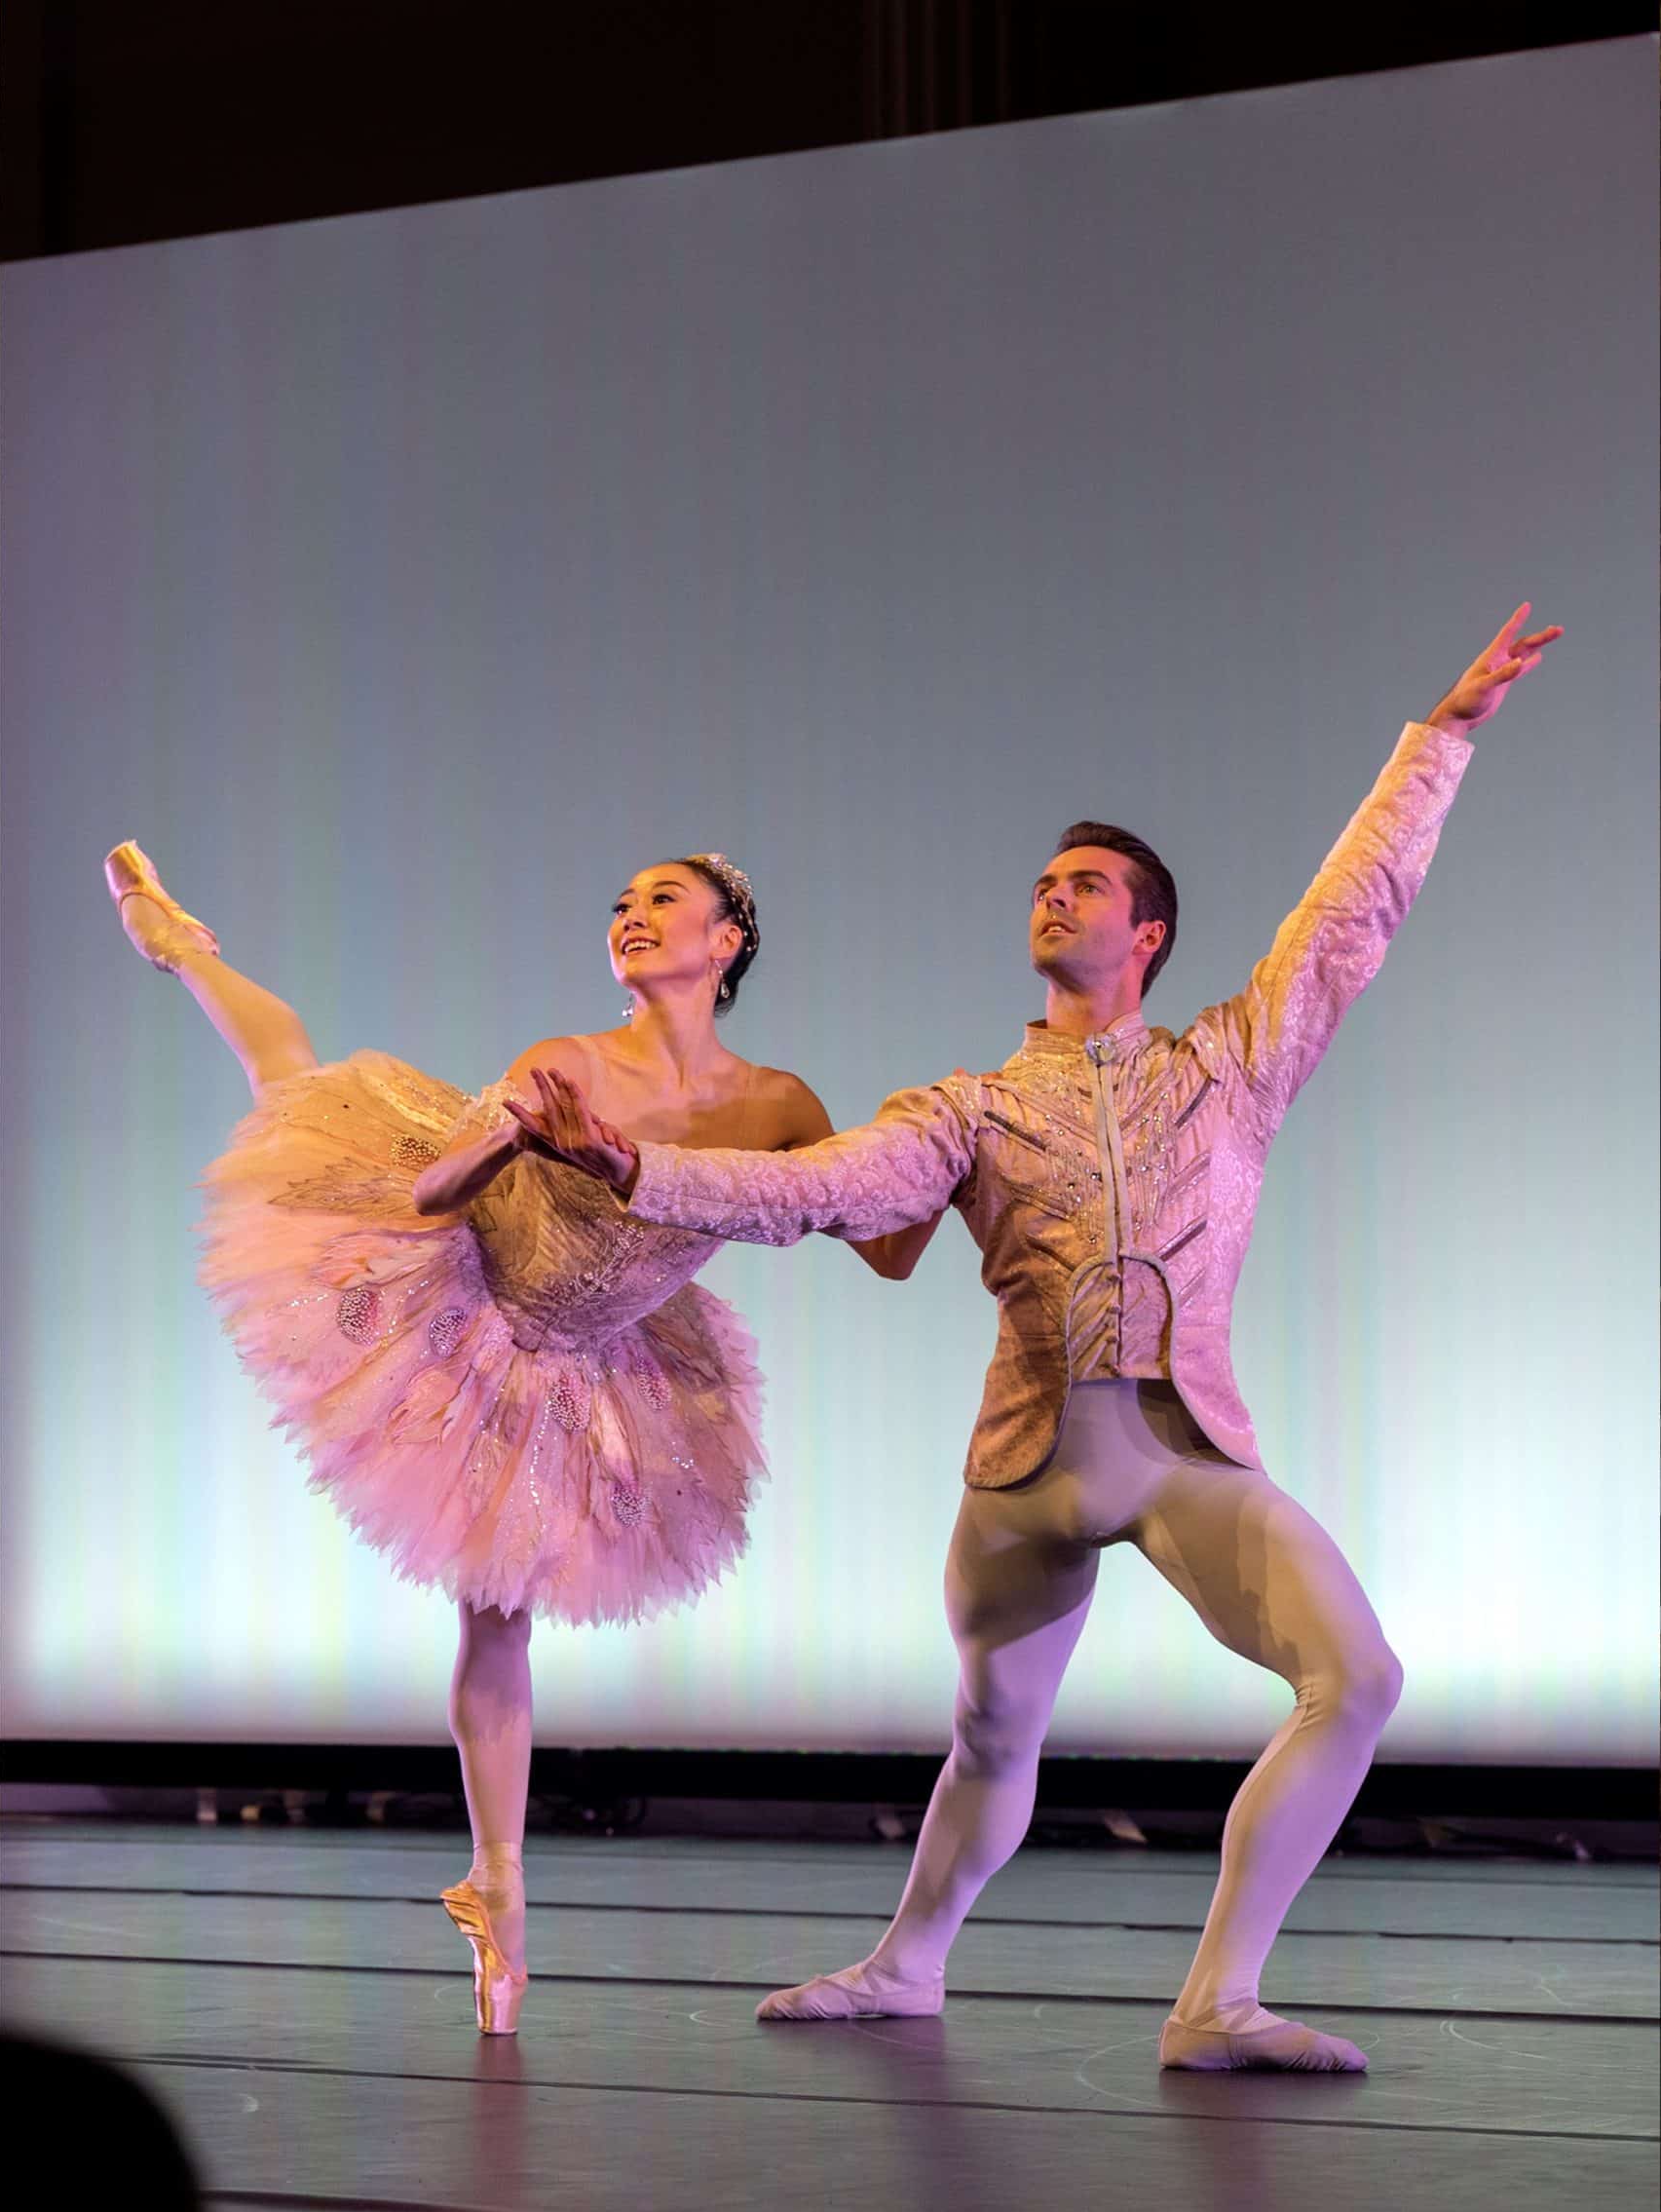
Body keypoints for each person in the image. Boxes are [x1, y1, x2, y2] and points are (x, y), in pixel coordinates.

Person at [519, 604, 1562, 2072]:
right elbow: (816, 1190)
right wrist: (638, 1171)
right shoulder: (970, 1107)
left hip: (1176, 1454)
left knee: (1356, 1679)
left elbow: (1346, 919)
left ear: (1145, 933)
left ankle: (1215, 2002)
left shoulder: (1226, 1068)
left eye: (1085, 885)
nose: (1051, 897)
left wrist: (1438, 739)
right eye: (1042, 882)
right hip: (1024, 1473)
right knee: (992, 1740)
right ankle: (904, 1969)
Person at [104, 845, 937, 2032]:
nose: (633, 917)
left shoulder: (781, 1105)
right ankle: (178, 942)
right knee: (292, 1075)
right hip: (471, 1281)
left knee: (500, 1606)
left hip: (596, 1349)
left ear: (728, 940)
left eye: (663, 901)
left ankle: (498, 1888)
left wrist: (949, 1155)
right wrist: (505, 1137)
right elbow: (432, 1194)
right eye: (621, 904)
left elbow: (887, 1247)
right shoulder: (566, 1061)